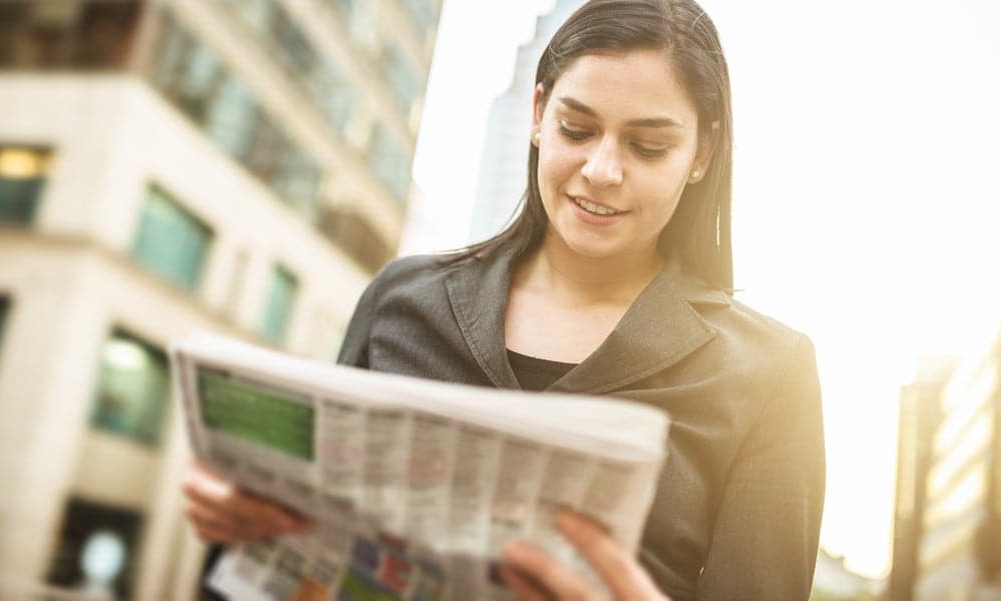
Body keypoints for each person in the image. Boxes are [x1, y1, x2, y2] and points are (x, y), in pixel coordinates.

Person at [182, 0, 826, 599]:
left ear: (701, 153)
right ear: (539, 115)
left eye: (648, 146)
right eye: (577, 128)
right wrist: (240, 522)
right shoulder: (402, 300)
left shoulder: (770, 373)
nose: (602, 169)